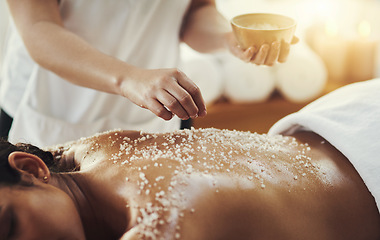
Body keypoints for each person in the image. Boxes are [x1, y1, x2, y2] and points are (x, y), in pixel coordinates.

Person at [0, 79, 380, 240]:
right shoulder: (89, 151)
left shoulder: (161, 224)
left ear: (32, 170)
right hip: (345, 116)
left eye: (12, 227)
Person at [0, 0, 296, 147]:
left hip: (153, 114)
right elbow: (38, 27)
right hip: (50, 111)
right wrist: (129, 78)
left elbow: (194, 10)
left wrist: (227, 39)